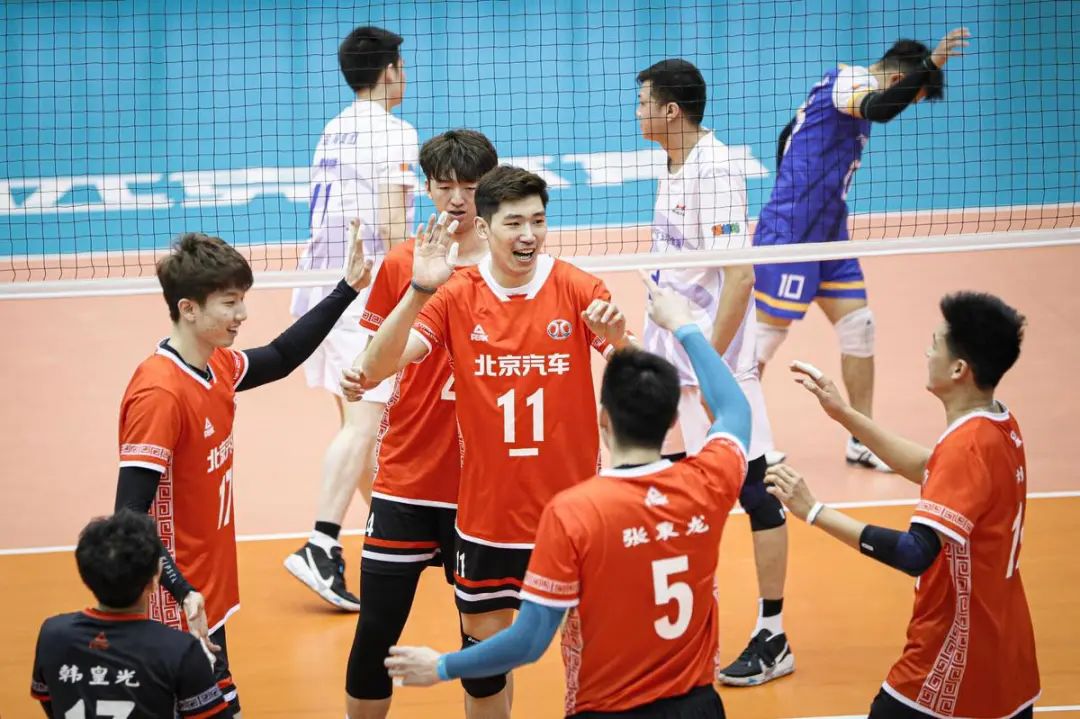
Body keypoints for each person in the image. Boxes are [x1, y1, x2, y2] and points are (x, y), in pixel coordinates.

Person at [382, 272, 751, 718]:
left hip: (609, 710)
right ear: (673, 418)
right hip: (699, 707)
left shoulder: (576, 513)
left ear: (603, 419)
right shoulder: (708, 484)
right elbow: (734, 409)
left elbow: (530, 640)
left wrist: (441, 666)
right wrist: (684, 326)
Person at [357, 165, 632, 718]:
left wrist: (621, 341)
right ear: (485, 228)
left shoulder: (580, 289)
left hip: (574, 515)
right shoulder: (456, 295)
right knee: (484, 670)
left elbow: (646, 386)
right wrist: (418, 290)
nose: (529, 234)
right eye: (514, 223)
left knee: (602, 659)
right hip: (489, 520)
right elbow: (373, 368)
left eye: (538, 221)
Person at [115, 228, 373, 716]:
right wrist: (181, 591)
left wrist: (347, 289)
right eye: (230, 303)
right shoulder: (160, 394)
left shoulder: (216, 366)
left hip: (204, 592)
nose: (243, 314)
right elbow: (128, 517)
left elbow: (280, 357)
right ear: (189, 308)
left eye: (242, 300)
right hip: (174, 603)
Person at [766, 291, 1040, 718]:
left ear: (958, 369)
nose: (927, 353)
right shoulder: (999, 423)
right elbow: (932, 467)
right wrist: (844, 414)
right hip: (1008, 655)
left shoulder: (967, 447)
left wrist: (813, 511)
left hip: (952, 659)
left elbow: (915, 553)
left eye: (935, 344)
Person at [635, 58, 792, 686]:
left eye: (644, 101)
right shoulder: (675, 164)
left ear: (670, 110)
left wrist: (709, 369)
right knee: (679, 491)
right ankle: (681, 622)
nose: (637, 111)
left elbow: (740, 276)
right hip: (676, 363)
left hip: (713, 368)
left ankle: (774, 634)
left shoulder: (716, 170)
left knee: (757, 492)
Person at [753, 28, 971, 471]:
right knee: (760, 344)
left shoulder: (846, 91)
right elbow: (882, 110)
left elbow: (788, 133)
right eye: (911, 96)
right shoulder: (852, 83)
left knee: (859, 327)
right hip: (790, 236)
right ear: (897, 80)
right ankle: (748, 446)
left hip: (830, 232)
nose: (907, 105)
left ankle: (861, 440)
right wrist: (932, 65)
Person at [338, 128, 498, 719]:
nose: (457, 199)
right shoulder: (402, 262)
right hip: (407, 477)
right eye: (445, 185)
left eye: (470, 187)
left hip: (483, 487)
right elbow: (374, 358)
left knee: (482, 652)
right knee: (375, 636)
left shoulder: (511, 264)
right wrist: (359, 376)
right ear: (427, 188)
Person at [285, 25, 419, 610]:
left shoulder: (334, 126)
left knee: (360, 422)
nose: (405, 76)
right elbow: (392, 221)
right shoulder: (394, 131)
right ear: (389, 71)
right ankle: (321, 544)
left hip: (323, 289)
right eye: (402, 66)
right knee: (365, 421)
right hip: (363, 291)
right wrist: (421, 277)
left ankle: (390, 533)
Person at [31, 510, 233, 719]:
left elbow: (52, 703)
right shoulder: (180, 651)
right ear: (154, 580)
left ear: (86, 576)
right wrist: (203, 674)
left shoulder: (52, 636)